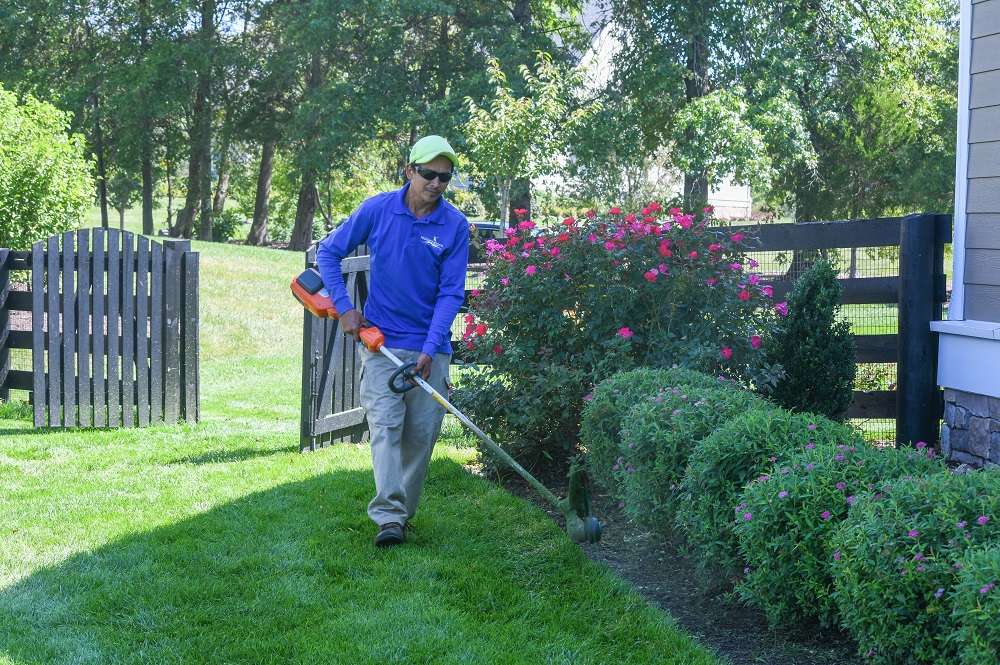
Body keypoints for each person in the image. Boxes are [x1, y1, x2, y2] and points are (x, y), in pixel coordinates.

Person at [316, 135, 469, 547]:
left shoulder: (454, 226)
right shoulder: (378, 209)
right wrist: (346, 307)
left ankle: (402, 513)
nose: (436, 183)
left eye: (444, 177)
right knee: (385, 428)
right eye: (428, 174)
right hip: (380, 342)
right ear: (409, 171)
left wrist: (430, 349)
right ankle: (389, 518)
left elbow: (451, 292)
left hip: (429, 347)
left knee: (420, 436)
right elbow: (328, 253)